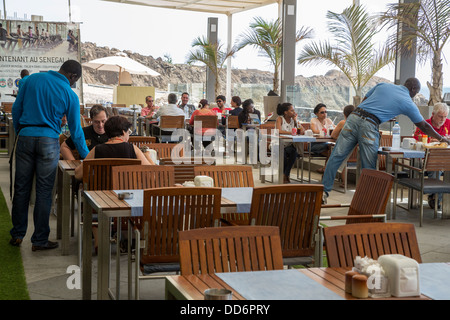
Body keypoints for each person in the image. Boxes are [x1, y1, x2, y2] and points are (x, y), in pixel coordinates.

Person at [322, 77, 450, 202]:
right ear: (413, 89)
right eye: (416, 93)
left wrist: (378, 115)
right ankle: (367, 201)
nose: (414, 95)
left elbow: (365, 102)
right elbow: (424, 126)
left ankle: (323, 192)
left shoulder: (383, 85)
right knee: (368, 166)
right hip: (369, 125)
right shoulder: (407, 102)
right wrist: (442, 139)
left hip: (353, 117)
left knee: (336, 156)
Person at [10, 60, 89, 251]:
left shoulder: (31, 79)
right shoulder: (69, 94)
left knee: (21, 188)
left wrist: (21, 131)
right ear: (73, 77)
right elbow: (76, 131)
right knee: (44, 192)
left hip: (26, 136)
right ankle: (39, 240)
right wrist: (87, 156)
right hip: (49, 140)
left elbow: (16, 110)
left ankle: (18, 235)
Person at [74, 116, 155, 180]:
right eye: (128, 132)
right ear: (123, 132)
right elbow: (152, 174)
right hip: (127, 195)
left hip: (101, 196)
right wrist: (147, 156)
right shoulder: (132, 149)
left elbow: (78, 175)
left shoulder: (97, 149)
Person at [413, 102, 450, 209]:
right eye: (440, 116)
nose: (443, 119)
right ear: (433, 114)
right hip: (427, 159)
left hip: (445, 158)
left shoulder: (449, 123)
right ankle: (435, 196)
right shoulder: (424, 124)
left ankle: (437, 197)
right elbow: (417, 141)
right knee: (435, 167)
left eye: (445, 116)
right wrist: (430, 140)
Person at [275, 102, 304, 183]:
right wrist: (291, 133)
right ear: (285, 112)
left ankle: (285, 174)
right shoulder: (280, 119)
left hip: (288, 144)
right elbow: (279, 131)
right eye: (292, 110)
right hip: (278, 144)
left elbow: (302, 131)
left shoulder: (293, 120)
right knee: (282, 154)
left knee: (294, 152)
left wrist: (296, 120)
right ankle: (284, 175)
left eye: (294, 110)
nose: (294, 112)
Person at [330, 104, 355, 188]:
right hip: (357, 153)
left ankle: (340, 181)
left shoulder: (343, 123)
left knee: (331, 153)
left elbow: (333, 135)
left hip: (345, 151)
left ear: (344, 114)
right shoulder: (359, 124)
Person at [310, 103, 334, 173]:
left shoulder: (328, 120)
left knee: (331, 151)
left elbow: (334, 130)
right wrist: (325, 131)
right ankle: (325, 170)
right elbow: (314, 130)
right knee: (332, 152)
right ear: (316, 113)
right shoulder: (314, 120)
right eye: (322, 112)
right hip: (315, 144)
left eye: (326, 112)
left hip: (326, 144)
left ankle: (325, 169)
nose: (325, 114)